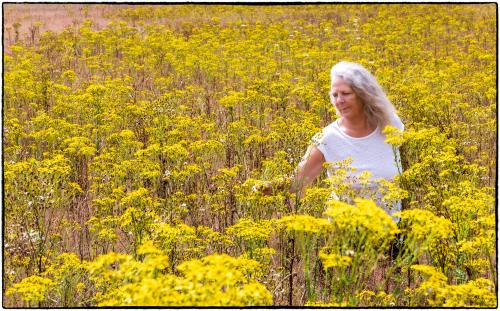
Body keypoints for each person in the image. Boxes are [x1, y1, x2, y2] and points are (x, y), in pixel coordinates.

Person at [261, 61, 404, 217]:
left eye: (345, 93)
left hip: (392, 234)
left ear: (363, 94)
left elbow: (405, 169)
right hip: (348, 236)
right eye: (335, 95)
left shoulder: (390, 124)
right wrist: (264, 187)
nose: (339, 100)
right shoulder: (327, 138)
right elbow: (297, 181)